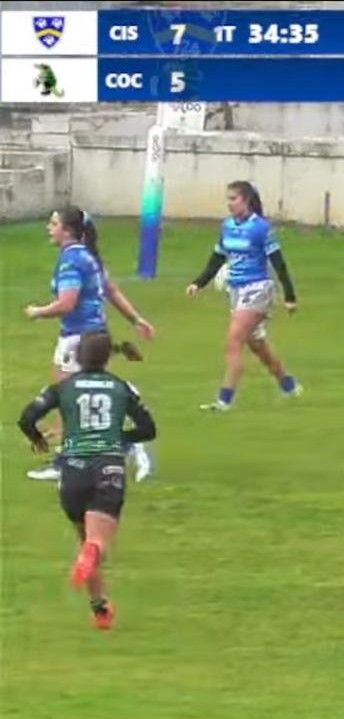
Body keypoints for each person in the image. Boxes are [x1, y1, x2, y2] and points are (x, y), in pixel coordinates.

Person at [17, 332, 158, 630]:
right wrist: (119, 437)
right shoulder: (120, 387)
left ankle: (100, 609)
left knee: (85, 540)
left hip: (72, 471)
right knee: (96, 544)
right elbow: (148, 429)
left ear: (78, 357)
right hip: (108, 467)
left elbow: (27, 417)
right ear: (108, 357)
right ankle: (94, 557)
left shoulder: (63, 387)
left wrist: (38, 439)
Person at [23, 206, 156, 483]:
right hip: (97, 335)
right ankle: (126, 445)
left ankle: (66, 462)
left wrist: (38, 311)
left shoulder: (71, 260)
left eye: (53, 223)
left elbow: (67, 303)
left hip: (77, 338)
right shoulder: (90, 257)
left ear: (67, 230)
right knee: (85, 398)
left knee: (69, 401)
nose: (49, 228)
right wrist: (136, 319)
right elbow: (112, 291)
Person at [187, 181, 303, 412]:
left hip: (258, 290)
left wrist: (289, 295)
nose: (229, 203)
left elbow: (278, 263)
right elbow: (217, 258)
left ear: (246, 200)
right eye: (228, 199)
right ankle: (288, 384)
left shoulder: (261, 228)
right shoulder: (227, 226)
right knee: (258, 345)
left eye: (233, 199)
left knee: (234, 340)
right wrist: (198, 283)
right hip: (236, 291)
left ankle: (224, 401)